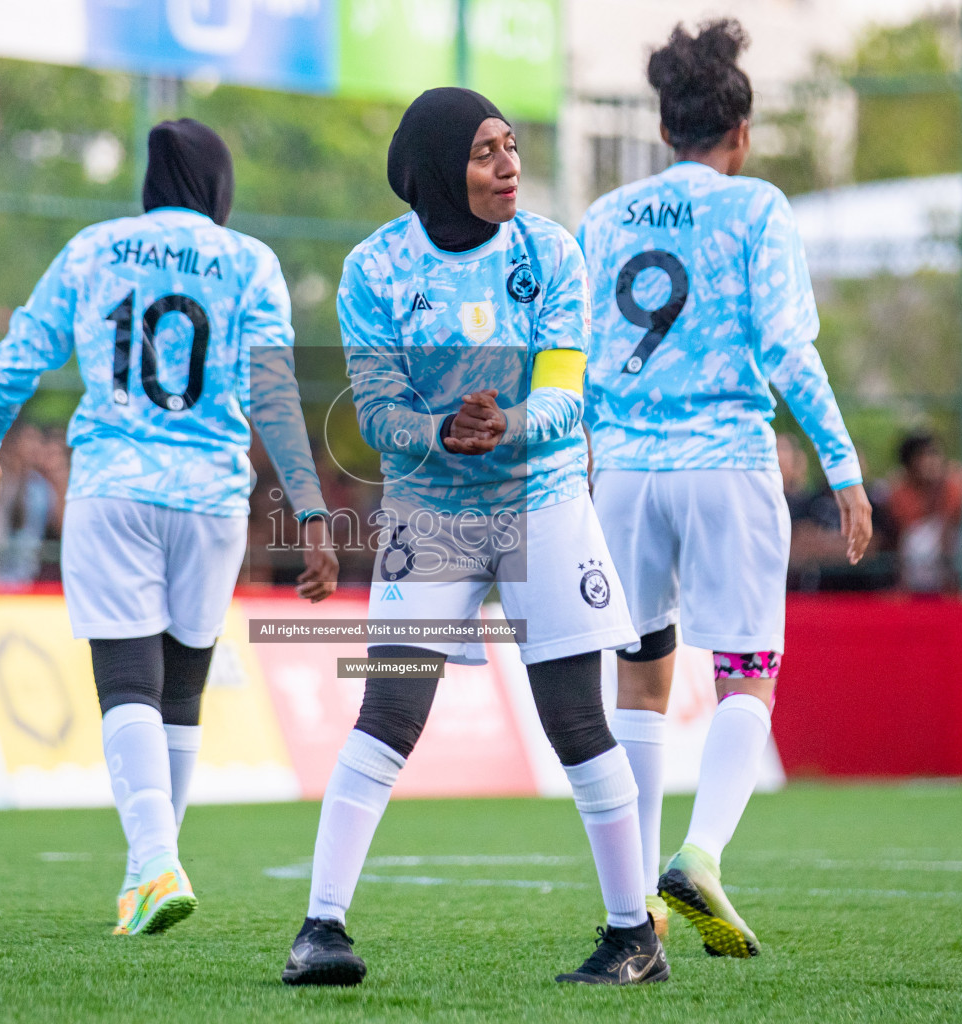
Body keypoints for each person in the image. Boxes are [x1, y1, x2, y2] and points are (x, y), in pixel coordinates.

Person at [281, 88, 667, 990]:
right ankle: (320, 932)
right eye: (486, 152)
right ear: (435, 171)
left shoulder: (553, 253)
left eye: (512, 146)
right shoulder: (374, 269)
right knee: (389, 714)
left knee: (576, 720)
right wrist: (439, 433)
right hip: (431, 513)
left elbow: (572, 394)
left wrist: (513, 422)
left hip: (544, 497)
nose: (508, 166)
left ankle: (632, 937)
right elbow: (376, 412)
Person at [0, 118, 338, 937]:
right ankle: (152, 866)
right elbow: (274, 396)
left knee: (127, 679)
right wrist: (309, 510)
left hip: (114, 487)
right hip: (210, 499)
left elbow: (21, 351)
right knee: (182, 688)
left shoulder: (96, 250)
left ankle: (154, 863)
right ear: (217, 186)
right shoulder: (251, 264)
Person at [577, 20, 872, 958]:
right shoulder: (756, 211)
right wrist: (844, 467)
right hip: (724, 465)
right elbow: (788, 347)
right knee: (747, 674)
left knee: (640, 675)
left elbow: (575, 356)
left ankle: (633, 909)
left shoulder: (607, 216)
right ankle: (697, 855)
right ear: (739, 134)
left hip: (623, 473)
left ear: (665, 130)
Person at [887, 430, 962, 592]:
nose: (932, 461)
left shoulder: (951, 485)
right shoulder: (901, 491)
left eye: (935, 455)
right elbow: (909, 526)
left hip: (949, 568)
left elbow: (950, 523)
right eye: (925, 456)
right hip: (914, 574)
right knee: (918, 539)